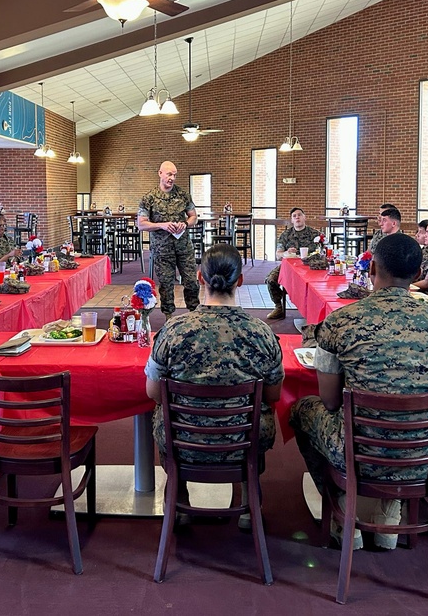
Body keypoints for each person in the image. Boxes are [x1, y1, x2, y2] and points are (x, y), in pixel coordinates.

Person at [290, 233, 428, 550]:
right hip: (427, 454)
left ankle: (345, 516)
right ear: (419, 273)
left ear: (371, 270)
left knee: (303, 410)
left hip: (360, 453)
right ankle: (388, 515)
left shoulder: (340, 321)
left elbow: (328, 401)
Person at [145, 244, 283, 529]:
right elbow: (273, 395)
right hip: (244, 443)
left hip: (184, 443)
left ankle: (180, 500)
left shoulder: (173, 330)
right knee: (260, 417)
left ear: (199, 278)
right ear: (241, 280)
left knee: (161, 415)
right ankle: (248, 501)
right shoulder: (262, 333)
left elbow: (154, 392)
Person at [137, 161, 200, 317]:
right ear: (160, 173)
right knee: (166, 284)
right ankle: (169, 317)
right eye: (169, 174)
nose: (172, 178)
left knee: (192, 281)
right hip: (162, 249)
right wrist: (162, 225)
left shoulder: (183, 195)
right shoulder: (149, 198)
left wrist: (185, 224)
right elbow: (141, 224)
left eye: (174, 175)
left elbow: (194, 217)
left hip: (184, 247)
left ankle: (195, 314)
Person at [266, 207, 319, 320]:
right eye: (294, 216)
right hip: (290, 266)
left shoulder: (315, 234)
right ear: (291, 220)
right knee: (271, 280)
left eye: (299, 215)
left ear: (304, 217)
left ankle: (315, 311)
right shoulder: (286, 235)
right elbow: (278, 254)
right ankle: (279, 306)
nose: (297, 217)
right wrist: (286, 252)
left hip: (310, 266)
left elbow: (323, 250)